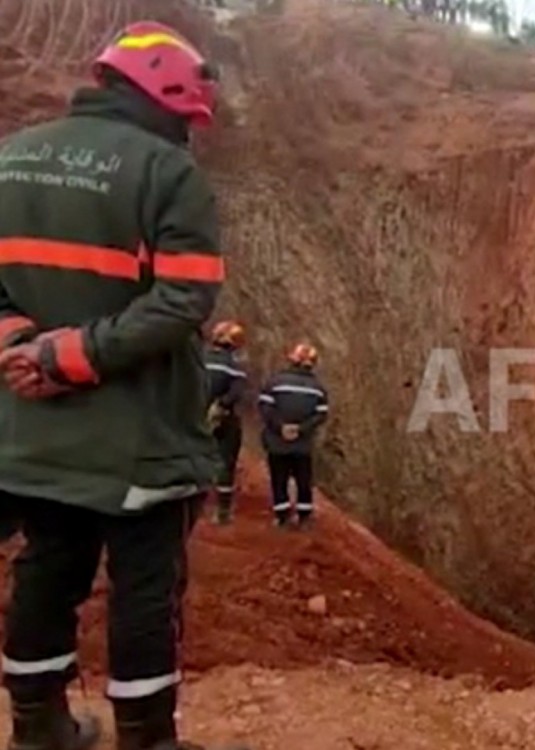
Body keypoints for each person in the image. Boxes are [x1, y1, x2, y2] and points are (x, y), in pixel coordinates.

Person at [0, 20, 246, 750]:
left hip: (32, 431)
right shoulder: (168, 174)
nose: (186, 132)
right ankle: (147, 739)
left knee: (46, 568)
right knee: (145, 589)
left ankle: (37, 726)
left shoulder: (10, 159)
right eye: (186, 116)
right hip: (139, 436)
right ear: (168, 95)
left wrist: (22, 349)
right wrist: (73, 356)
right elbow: (181, 303)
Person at [259, 343, 329, 530]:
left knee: (279, 478)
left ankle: (282, 517)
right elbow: (321, 415)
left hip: (277, 441)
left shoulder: (275, 382)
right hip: (302, 444)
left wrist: (281, 427)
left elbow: (265, 409)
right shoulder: (318, 388)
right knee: (303, 479)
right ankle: (304, 517)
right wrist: (301, 429)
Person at [205, 320, 248, 526]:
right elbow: (237, 392)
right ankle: (222, 510)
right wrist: (221, 406)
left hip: (193, 414)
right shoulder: (235, 366)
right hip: (223, 417)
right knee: (225, 461)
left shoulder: (197, 359)